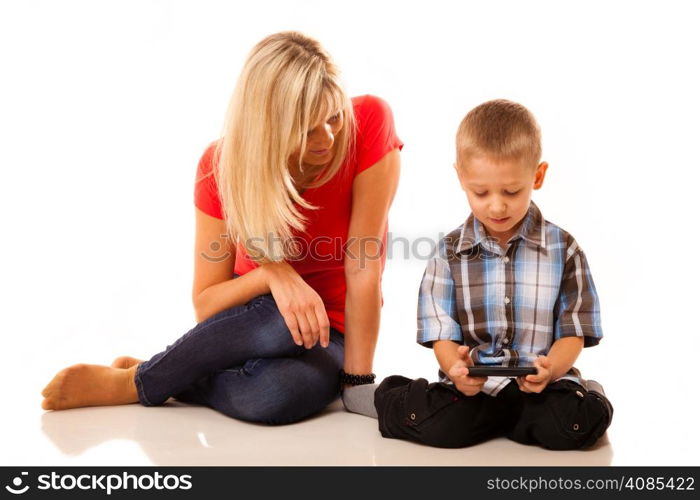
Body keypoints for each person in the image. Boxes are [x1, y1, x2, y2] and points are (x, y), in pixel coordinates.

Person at [40, 31, 403, 425]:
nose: (328, 138)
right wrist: (273, 275)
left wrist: (357, 381)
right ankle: (137, 384)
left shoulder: (369, 122)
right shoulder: (220, 167)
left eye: (333, 117)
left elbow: (364, 266)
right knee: (279, 323)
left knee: (274, 394)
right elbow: (207, 303)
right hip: (259, 323)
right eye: (306, 128)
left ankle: (170, 371)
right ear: (269, 126)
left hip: (331, 331)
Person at [344, 99, 613, 450]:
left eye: (512, 191)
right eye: (481, 192)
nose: (497, 205)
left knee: (575, 427)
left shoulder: (564, 249)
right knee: (438, 426)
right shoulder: (448, 253)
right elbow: (442, 334)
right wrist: (454, 367)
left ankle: (588, 392)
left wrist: (552, 369)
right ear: (461, 177)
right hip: (473, 389)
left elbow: (574, 332)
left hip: (540, 388)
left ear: (538, 175)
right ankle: (386, 395)